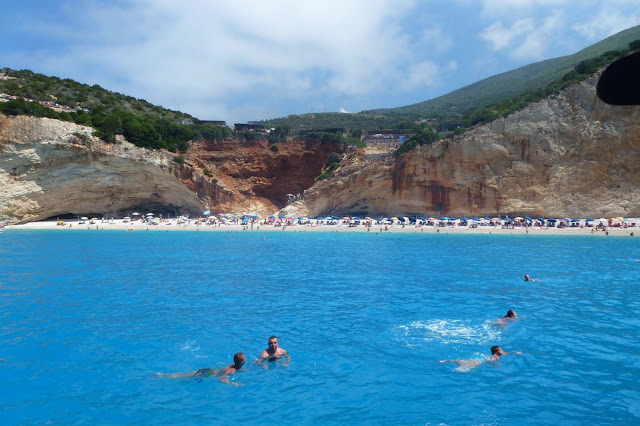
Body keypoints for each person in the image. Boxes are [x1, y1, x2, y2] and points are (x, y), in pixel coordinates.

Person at [157, 352, 245, 386]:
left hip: (209, 370)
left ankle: (164, 375)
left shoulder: (233, 365)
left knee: (187, 374)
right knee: (184, 377)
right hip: (207, 374)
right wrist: (232, 383)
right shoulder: (231, 370)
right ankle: (163, 376)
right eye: (244, 359)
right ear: (241, 362)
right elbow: (220, 378)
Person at [440, 346, 521, 370]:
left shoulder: (496, 354)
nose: (503, 351)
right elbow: (492, 361)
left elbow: (506, 353)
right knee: (468, 366)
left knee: (463, 361)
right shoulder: (496, 356)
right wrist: (495, 366)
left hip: (479, 358)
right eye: (501, 350)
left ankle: (447, 361)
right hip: (480, 361)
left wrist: (514, 352)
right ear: (497, 352)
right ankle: (457, 369)